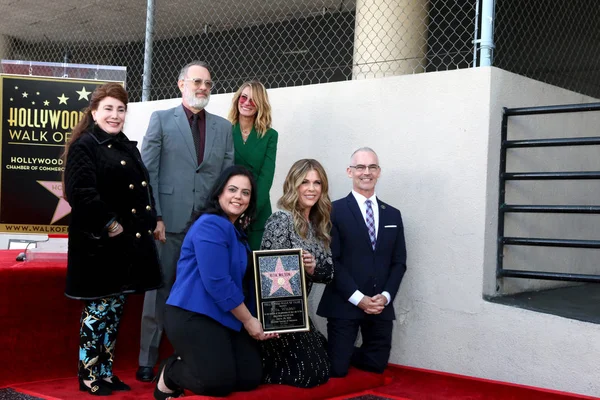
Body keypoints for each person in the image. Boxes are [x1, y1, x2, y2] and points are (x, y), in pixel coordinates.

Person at [137, 61, 234, 382]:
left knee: (202, 293)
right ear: (181, 85)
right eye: (196, 82)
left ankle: (189, 356)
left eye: (208, 82)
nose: (203, 87)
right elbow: (147, 173)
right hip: (169, 225)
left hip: (206, 229)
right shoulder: (162, 120)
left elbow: (226, 180)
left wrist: (222, 223)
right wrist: (157, 217)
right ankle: (147, 359)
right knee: (160, 292)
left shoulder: (223, 127)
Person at [63, 83, 162, 396]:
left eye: (120, 109)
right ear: (94, 112)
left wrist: (154, 218)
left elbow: (143, 188)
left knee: (114, 312)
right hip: (100, 246)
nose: (115, 115)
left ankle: (105, 373)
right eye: (108, 108)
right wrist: (110, 223)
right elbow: (80, 193)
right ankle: (89, 376)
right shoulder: (85, 145)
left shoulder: (124, 145)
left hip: (125, 249)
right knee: (98, 313)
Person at [153, 165, 276, 399]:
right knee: (218, 383)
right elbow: (218, 283)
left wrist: (271, 318)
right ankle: (171, 372)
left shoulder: (236, 231)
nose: (238, 196)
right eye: (232, 189)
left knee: (249, 376)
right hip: (193, 313)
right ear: (219, 192)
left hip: (225, 313)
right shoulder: (211, 224)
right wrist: (250, 321)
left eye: (245, 192)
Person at [317, 147, 407, 377]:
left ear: (379, 172)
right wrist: (359, 299)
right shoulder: (332, 211)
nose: (366, 172)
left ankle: (340, 351)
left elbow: (399, 262)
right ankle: (330, 351)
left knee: (377, 365)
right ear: (350, 171)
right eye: (360, 167)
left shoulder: (393, 215)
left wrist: (385, 297)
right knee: (338, 369)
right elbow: (332, 261)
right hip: (345, 302)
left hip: (379, 305)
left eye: (372, 167)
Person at [259, 159, 333, 388]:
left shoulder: (318, 224)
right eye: (305, 182)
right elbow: (268, 277)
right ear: (294, 185)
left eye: (317, 182)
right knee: (309, 373)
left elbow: (329, 272)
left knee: (326, 365)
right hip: (279, 314)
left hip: (300, 314)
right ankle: (258, 368)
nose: (311, 188)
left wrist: (311, 268)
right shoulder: (281, 219)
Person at [228, 80, 278, 250]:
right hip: (229, 207)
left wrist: (251, 211)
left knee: (257, 266)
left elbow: (266, 176)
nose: (247, 103)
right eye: (244, 97)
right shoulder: (225, 130)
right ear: (237, 100)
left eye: (253, 99)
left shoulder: (270, 135)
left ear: (261, 105)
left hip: (258, 210)